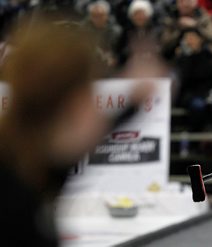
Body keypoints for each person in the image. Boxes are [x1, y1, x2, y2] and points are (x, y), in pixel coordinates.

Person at [0, 16, 153, 246]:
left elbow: (93, 132)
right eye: (87, 93)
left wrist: (134, 101)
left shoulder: (36, 160)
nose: (94, 109)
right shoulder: (20, 190)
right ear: (68, 103)